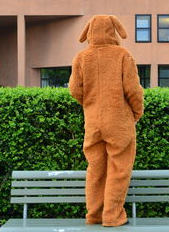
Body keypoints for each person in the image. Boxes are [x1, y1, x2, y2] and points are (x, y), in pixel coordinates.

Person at [69, 15, 144, 227]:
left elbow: (75, 89)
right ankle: (112, 216)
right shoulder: (123, 55)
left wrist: (90, 104)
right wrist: (136, 113)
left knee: (95, 168)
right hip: (119, 121)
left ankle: (93, 215)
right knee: (119, 168)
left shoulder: (82, 57)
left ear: (89, 32)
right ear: (114, 30)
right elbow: (133, 90)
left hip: (93, 122)